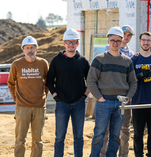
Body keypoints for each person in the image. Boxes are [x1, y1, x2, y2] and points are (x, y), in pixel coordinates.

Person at [87, 26, 137, 157]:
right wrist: (100, 98)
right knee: (99, 134)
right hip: (104, 102)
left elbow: (133, 82)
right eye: (113, 40)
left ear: (121, 42)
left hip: (121, 103)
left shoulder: (127, 61)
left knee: (115, 136)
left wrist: (128, 97)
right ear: (108, 41)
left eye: (118, 41)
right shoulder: (99, 59)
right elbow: (91, 80)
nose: (115, 43)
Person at [46, 28, 90, 157]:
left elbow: (91, 81)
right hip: (62, 104)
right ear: (64, 43)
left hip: (79, 104)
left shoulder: (83, 61)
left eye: (74, 42)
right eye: (68, 42)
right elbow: (49, 80)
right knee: (59, 137)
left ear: (77, 43)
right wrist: (55, 96)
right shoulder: (56, 60)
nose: (71, 45)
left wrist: (84, 96)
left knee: (78, 137)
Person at [7, 36, 49, 157]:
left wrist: (43, 97)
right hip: (22, 108)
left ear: (36, 49)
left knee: (38, 140)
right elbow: (11, 83)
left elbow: (48, 82)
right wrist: (16, 100)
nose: (30, 50)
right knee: (20, 140)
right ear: (23, 50)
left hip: (39, 107)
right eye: (27, 48)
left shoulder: (43, 63)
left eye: (32, 47)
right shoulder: (16, 64)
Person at [101, 25, 135, 157]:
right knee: (105, 129)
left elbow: (131, 78)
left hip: (124, 96)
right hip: (107, 96)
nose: (126, 37)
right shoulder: (105, 51)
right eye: (124, 34)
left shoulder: (132, 55)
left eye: (129, 35)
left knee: (124, 129)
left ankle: (123, 155)